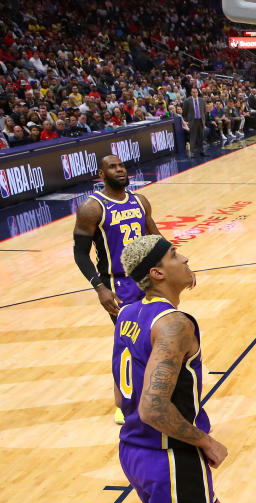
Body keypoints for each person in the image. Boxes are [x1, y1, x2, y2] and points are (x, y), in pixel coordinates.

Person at [113, 235, 243, 503]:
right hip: (169, 456)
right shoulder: (174, 324)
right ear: (156, 273)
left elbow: (123, 394)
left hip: (136, 450)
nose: (184, 257)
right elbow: (153, 407)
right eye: (173, 255)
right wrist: (204, 441)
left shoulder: (129, 312)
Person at [73, 155, 161, 424]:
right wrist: (99, 288)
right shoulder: (92, 208)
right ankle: (123, 403)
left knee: (156, 338)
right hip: (118, 283)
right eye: (113, 167)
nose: (120, 169)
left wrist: (171, 264)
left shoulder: (140, 201)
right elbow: (80, 254)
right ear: (101, 173)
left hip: (146, 278)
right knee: (128, 343)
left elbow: (155, 237)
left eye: (121, 165)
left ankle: (155, 393)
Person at [184, 87, 206, 157]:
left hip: (200, 120)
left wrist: (203, 119)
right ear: (191, 93)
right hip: (192, 121)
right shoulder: (187, 101)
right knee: (193, 137)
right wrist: (187, 121)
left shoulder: (202, 100)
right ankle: (192, 152)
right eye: (193, 92)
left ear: (197, 92)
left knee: (201, 137)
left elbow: (204, 111)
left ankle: (201, 151)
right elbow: (185, 112)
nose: (195, 93)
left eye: (196, 92)